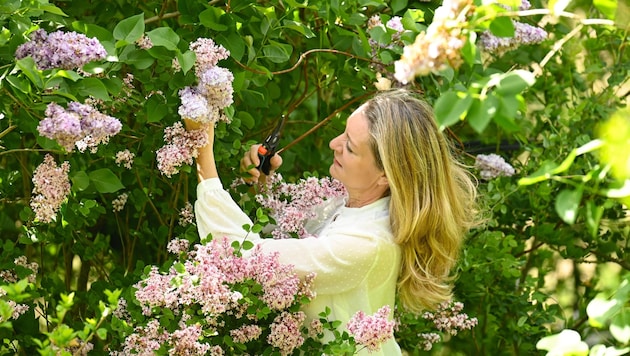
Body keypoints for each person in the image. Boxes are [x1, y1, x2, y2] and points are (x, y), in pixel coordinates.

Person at [188, 88, 478, 355]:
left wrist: (202, 154)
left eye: (350, 147)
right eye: (344, 133)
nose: (333, 144)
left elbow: (246, 259)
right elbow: (299, 244)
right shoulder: (359, 200)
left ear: (386, 175)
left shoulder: (368, 243)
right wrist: (262, 187)